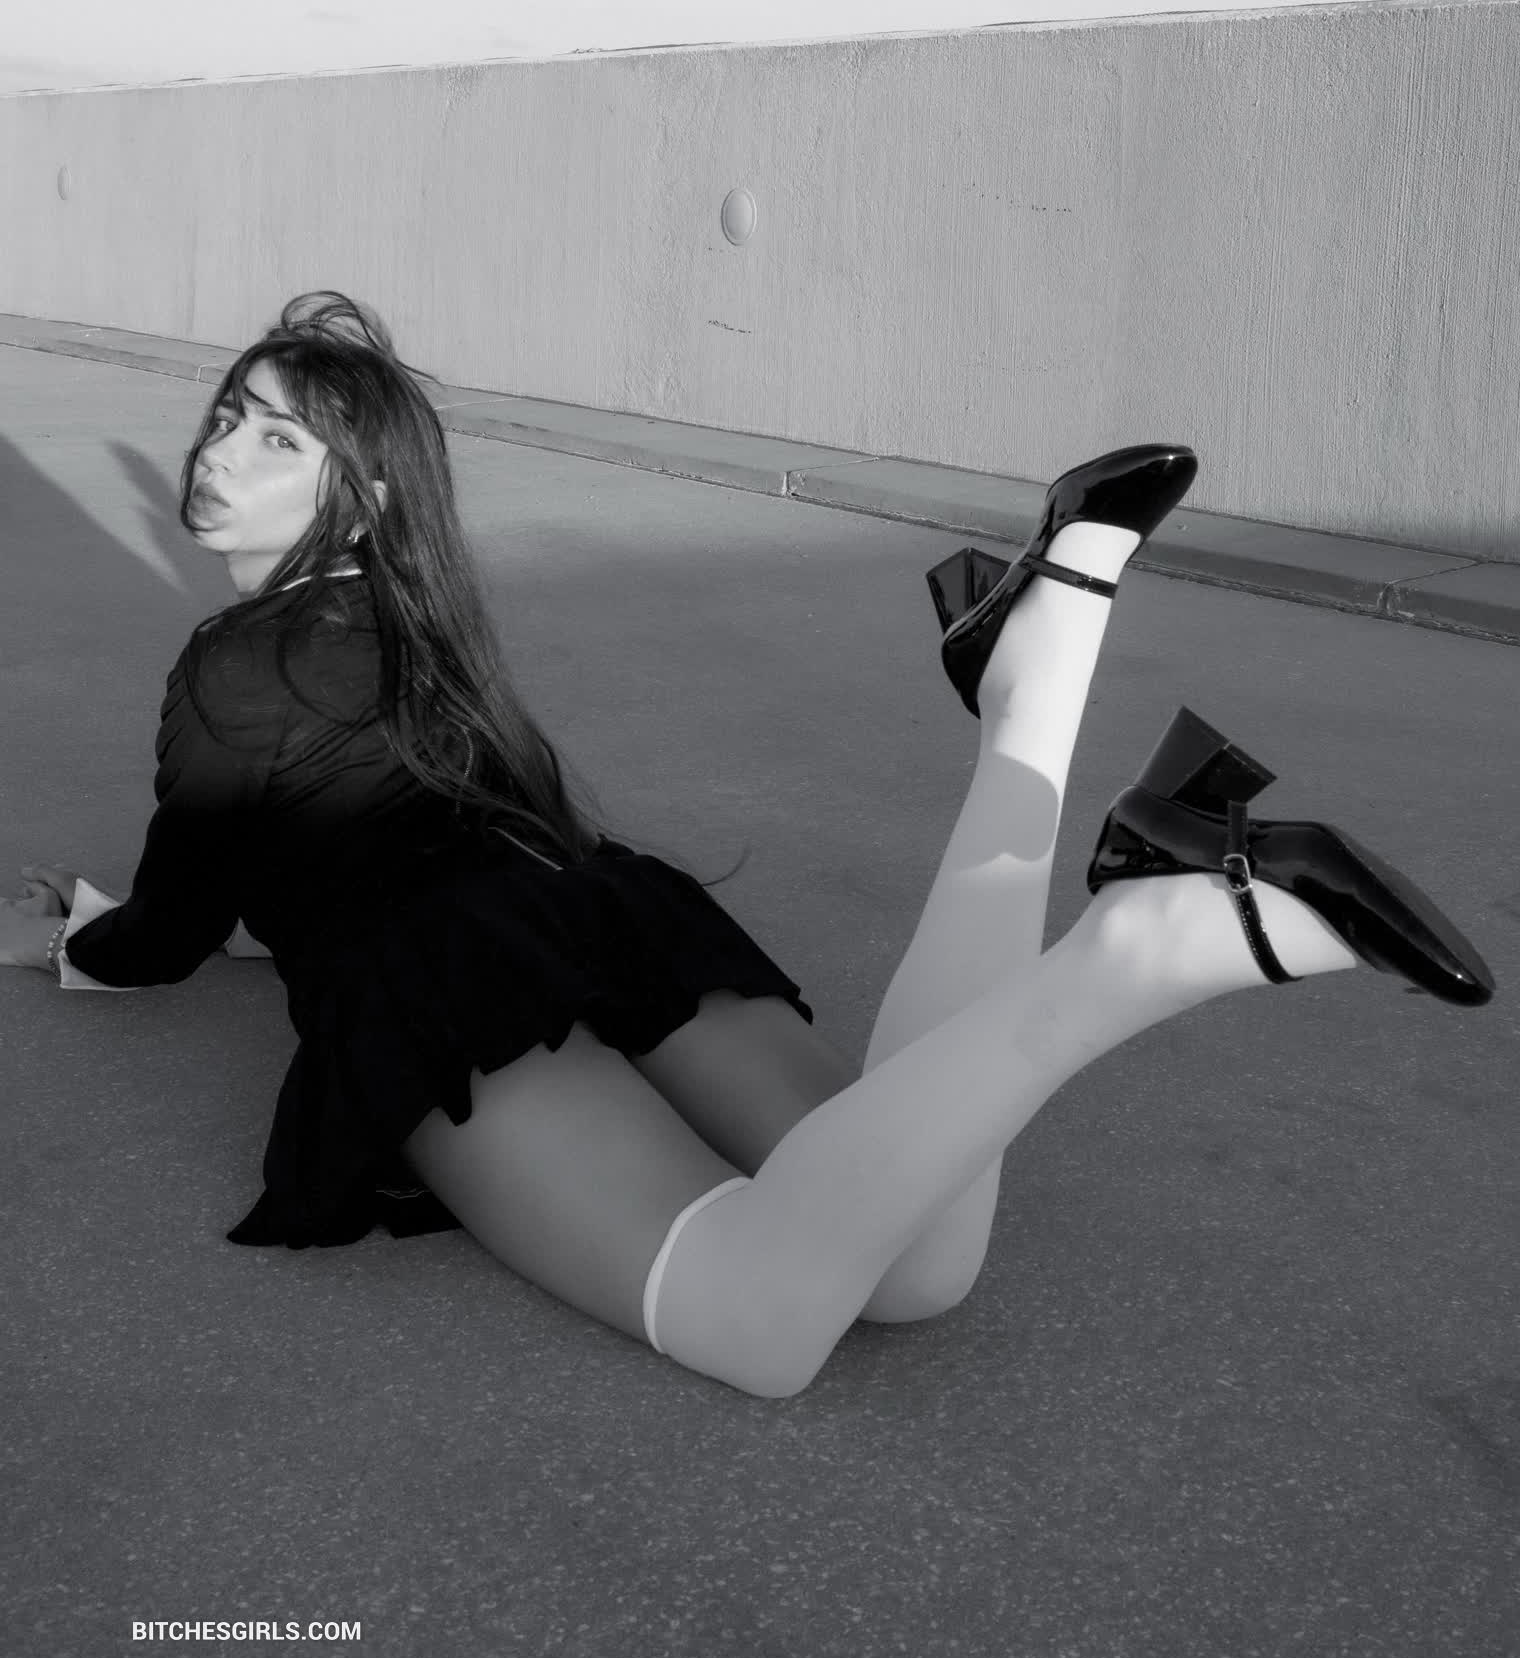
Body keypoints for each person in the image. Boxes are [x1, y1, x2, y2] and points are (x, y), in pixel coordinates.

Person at [2, 292, 1494, 1402]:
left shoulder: (232, 665)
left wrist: (75, 941)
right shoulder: (421, 624)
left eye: (278, 439)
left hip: (448, 988)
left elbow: (178, 922)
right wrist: (229, 917)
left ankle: (1148, 949)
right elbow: (305, 853)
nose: (221, 456)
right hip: (598, 915)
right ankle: (1039, 679)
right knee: (918, 1270)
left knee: (758, 1323)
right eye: (228, 417)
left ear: (363, 493)